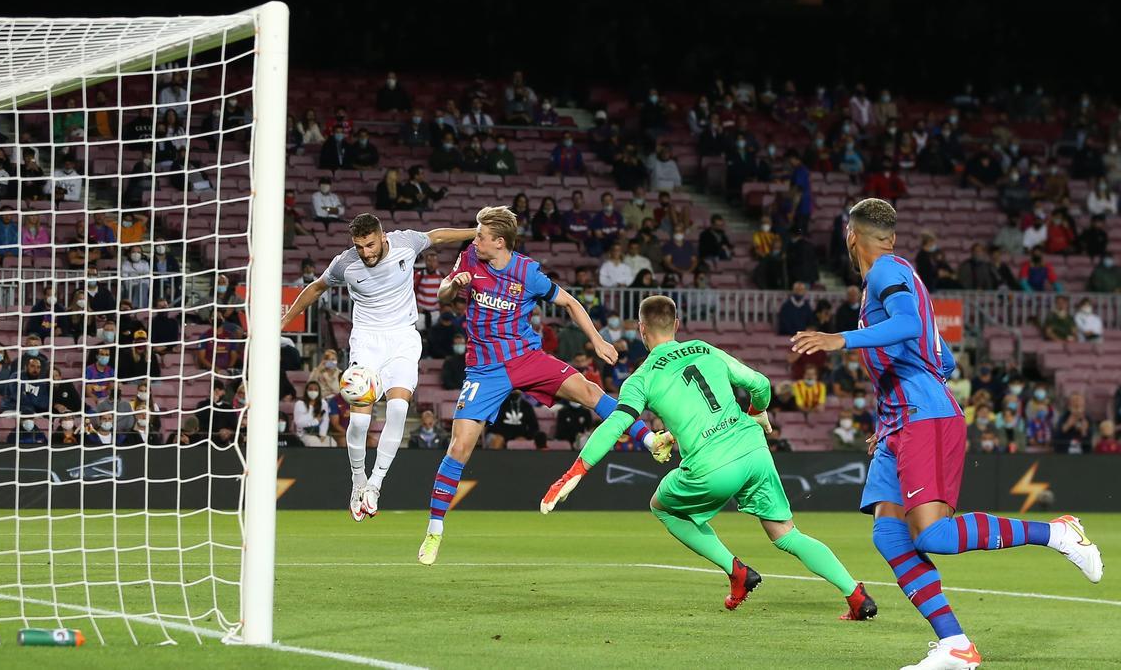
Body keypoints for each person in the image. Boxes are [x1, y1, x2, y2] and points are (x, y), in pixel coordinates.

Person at [790, 197, 1102, 669]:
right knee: (891, 536)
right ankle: (955, 645)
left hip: (924, 418)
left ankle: (1056, 532)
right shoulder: (899, 277)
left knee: (931, 536)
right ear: (889, 236)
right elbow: (942, 358)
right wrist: (886, 419)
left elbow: (909, 326)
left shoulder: (884, 272)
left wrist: (841, 339)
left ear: (850, 236)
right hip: (899, 421)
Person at [541, 295, 876, 620]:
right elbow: (759, 383)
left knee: (661, 505)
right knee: (786, 533)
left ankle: (736, 572)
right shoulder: (704, 349)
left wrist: (577, 470)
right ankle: (856, 594)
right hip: (754, 450)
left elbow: (616, 424)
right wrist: (756, 412)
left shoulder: (640, 379)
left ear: (641, 329)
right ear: (677, 324)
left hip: (711, 465)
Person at [417, 206, 668, 565]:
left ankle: (650, 439)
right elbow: (442, 294)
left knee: (590, 392)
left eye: (481, 234)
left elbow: (568, 302)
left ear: (499, 242)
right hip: (484, 369)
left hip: (526, 358)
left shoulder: (527, 272)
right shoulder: (470, 257)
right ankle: (434, 530)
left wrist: (597, 341)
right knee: (459, 447)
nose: (475, 238)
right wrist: (451, 286)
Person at [282, 214, 476, 520]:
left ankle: (375, 484)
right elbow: (317, 288)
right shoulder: (345, 263)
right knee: (359, 422)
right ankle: (358, 480)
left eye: (370, 244)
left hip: (402, 338)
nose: (366, 252)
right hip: (367, 342)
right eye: (359, 246)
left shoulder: (405, 243)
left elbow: (437, 236)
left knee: (398, 409)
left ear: (382, 236)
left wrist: (476, 231)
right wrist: (283, 322)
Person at [294, 380, 331, 448]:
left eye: (316, 389)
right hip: (304, 434)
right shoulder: (300, 404)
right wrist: (315, 421)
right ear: (306, 391)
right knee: (315, 443)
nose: (313, 391)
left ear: (319, 391)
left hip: (319, 433)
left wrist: (322, 434)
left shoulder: (323, 403)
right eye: (310, 389)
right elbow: (299, 423)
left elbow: (325, 420)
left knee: (332, 443)